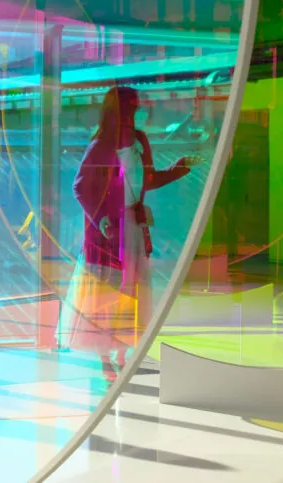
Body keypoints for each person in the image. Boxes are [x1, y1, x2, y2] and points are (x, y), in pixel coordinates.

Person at [67, 86, 201, 383]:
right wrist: (100, 218)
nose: (138, 112)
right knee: (107, 290)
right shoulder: (101, 144)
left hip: (133, 226)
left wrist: (178, 170)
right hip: (109, 232)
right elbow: (80, 186)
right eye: (133, 107)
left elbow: (147, 179)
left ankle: (123, 351)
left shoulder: (139, 140)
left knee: (132, 289)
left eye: (138, 107)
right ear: (119, 110)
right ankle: (105, 355)